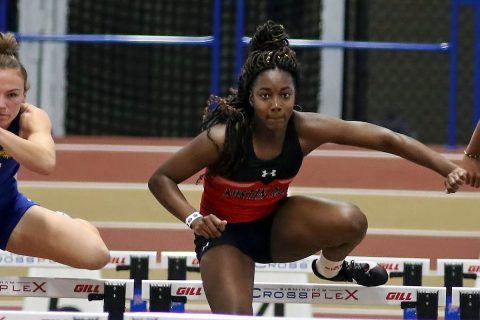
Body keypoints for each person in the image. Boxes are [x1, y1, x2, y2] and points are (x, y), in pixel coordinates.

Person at [148, 21, 467, 315]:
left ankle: (330, 269)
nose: (276, 105)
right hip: (225, 237)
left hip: (276, 228)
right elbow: (161, 178)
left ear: (295, 95)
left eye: (284, 95)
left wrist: (446, 168)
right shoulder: (222, 139)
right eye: (265, 95)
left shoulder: (305, 130)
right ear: (250, 97)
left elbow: (386, 139)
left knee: (351, 221)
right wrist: (194, 219)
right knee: (235, 316)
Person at [0, 32, 110, 269]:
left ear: (24, 95)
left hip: (6, 211)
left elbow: (46, 162)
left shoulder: (30, 118)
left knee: (95, 255)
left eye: (12, 95)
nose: (2, 105)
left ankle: (72, 225)